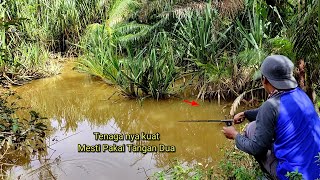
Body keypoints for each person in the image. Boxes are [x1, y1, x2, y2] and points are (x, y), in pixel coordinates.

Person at [222, 55, 320, 180]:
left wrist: (235, 135)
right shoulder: (301, 94)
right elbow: (276, 111)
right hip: (316, 167)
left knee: (251, 129)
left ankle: (270, 175)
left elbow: (256, 148)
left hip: (294, 176)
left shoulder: (270, 106)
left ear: (264, 80)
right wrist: (246, 114)